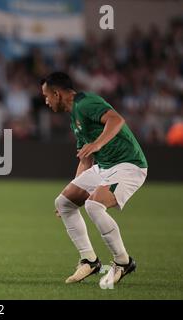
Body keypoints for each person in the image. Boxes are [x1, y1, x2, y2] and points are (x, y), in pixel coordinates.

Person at [41, 72, 148, 287]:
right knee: (63, 203)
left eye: (46, 96)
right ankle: (89, 261)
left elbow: (116, 120)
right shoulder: (74, 118)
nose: (46, 101)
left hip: (128, 165)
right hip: (104, 167)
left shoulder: (86, 102)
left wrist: (98, 144)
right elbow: (85, 158)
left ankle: (123, 262)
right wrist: (74, 189)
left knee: (94, 206)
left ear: (57, 93)